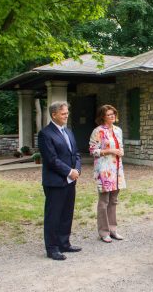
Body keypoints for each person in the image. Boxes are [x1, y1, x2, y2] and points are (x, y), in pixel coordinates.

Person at [38, 101, 82, 261]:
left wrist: (77, 170)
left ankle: (64, 243)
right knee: (53, 216)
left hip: (71, 180)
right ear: (54, 114)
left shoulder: (68, 132)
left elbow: (76, 153)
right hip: (55, 182)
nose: (66, 116)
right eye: (63, 113)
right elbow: (51, 159)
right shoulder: (45, 134)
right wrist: (69, 171)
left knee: (66, 214)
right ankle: (52, 248)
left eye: (67, 113)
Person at [89, 105, 126, 243]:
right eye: (109, 114)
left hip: (117, 170)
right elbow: (93, 151)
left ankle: (113, 230)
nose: (112, 116)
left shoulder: (118, 130)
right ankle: (103, 232)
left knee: (114, 201)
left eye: (113, 114)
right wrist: (109, 151)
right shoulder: (98, 131)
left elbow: (120, 147)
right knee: (104, 201)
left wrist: (120, 151)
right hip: (104, 170)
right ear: (103, 116)